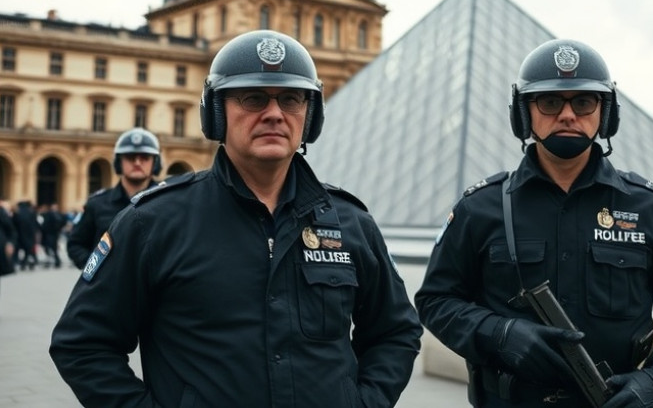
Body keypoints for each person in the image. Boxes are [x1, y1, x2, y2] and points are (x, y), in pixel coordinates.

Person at [50, 29, 423, 407]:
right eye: (253, 97)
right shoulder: (153, 223)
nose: (275, 114)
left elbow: (396, 331)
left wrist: (365, 403)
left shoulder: (351, 222)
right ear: (215, 113)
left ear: (310, 117)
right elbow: (81, 344)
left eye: (292, 99)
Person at [415, 39, 653, 408]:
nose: (567, 115)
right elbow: (436, 301)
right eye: (550, 102)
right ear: (524, 113)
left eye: (583, 102)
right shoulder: (479, 209)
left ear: (605, 113)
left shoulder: (650, 209)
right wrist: (499, 334)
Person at [65, 127, 162, 269]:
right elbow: (76, 244)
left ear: (155, 163)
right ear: (118, 162)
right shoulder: (97, 204)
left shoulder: (168, 200)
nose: (137, 162)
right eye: (129, 157)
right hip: (108, 289)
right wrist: (96, 271)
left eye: (145, 157)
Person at [39, 202, 67, 268]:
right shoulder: (58, 215)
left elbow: (45, 225)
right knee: (53, 248)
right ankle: (56, 261)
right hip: (54, 233)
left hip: (50, 234)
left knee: (51, 248)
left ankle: (54, 261)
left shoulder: (51, 215)